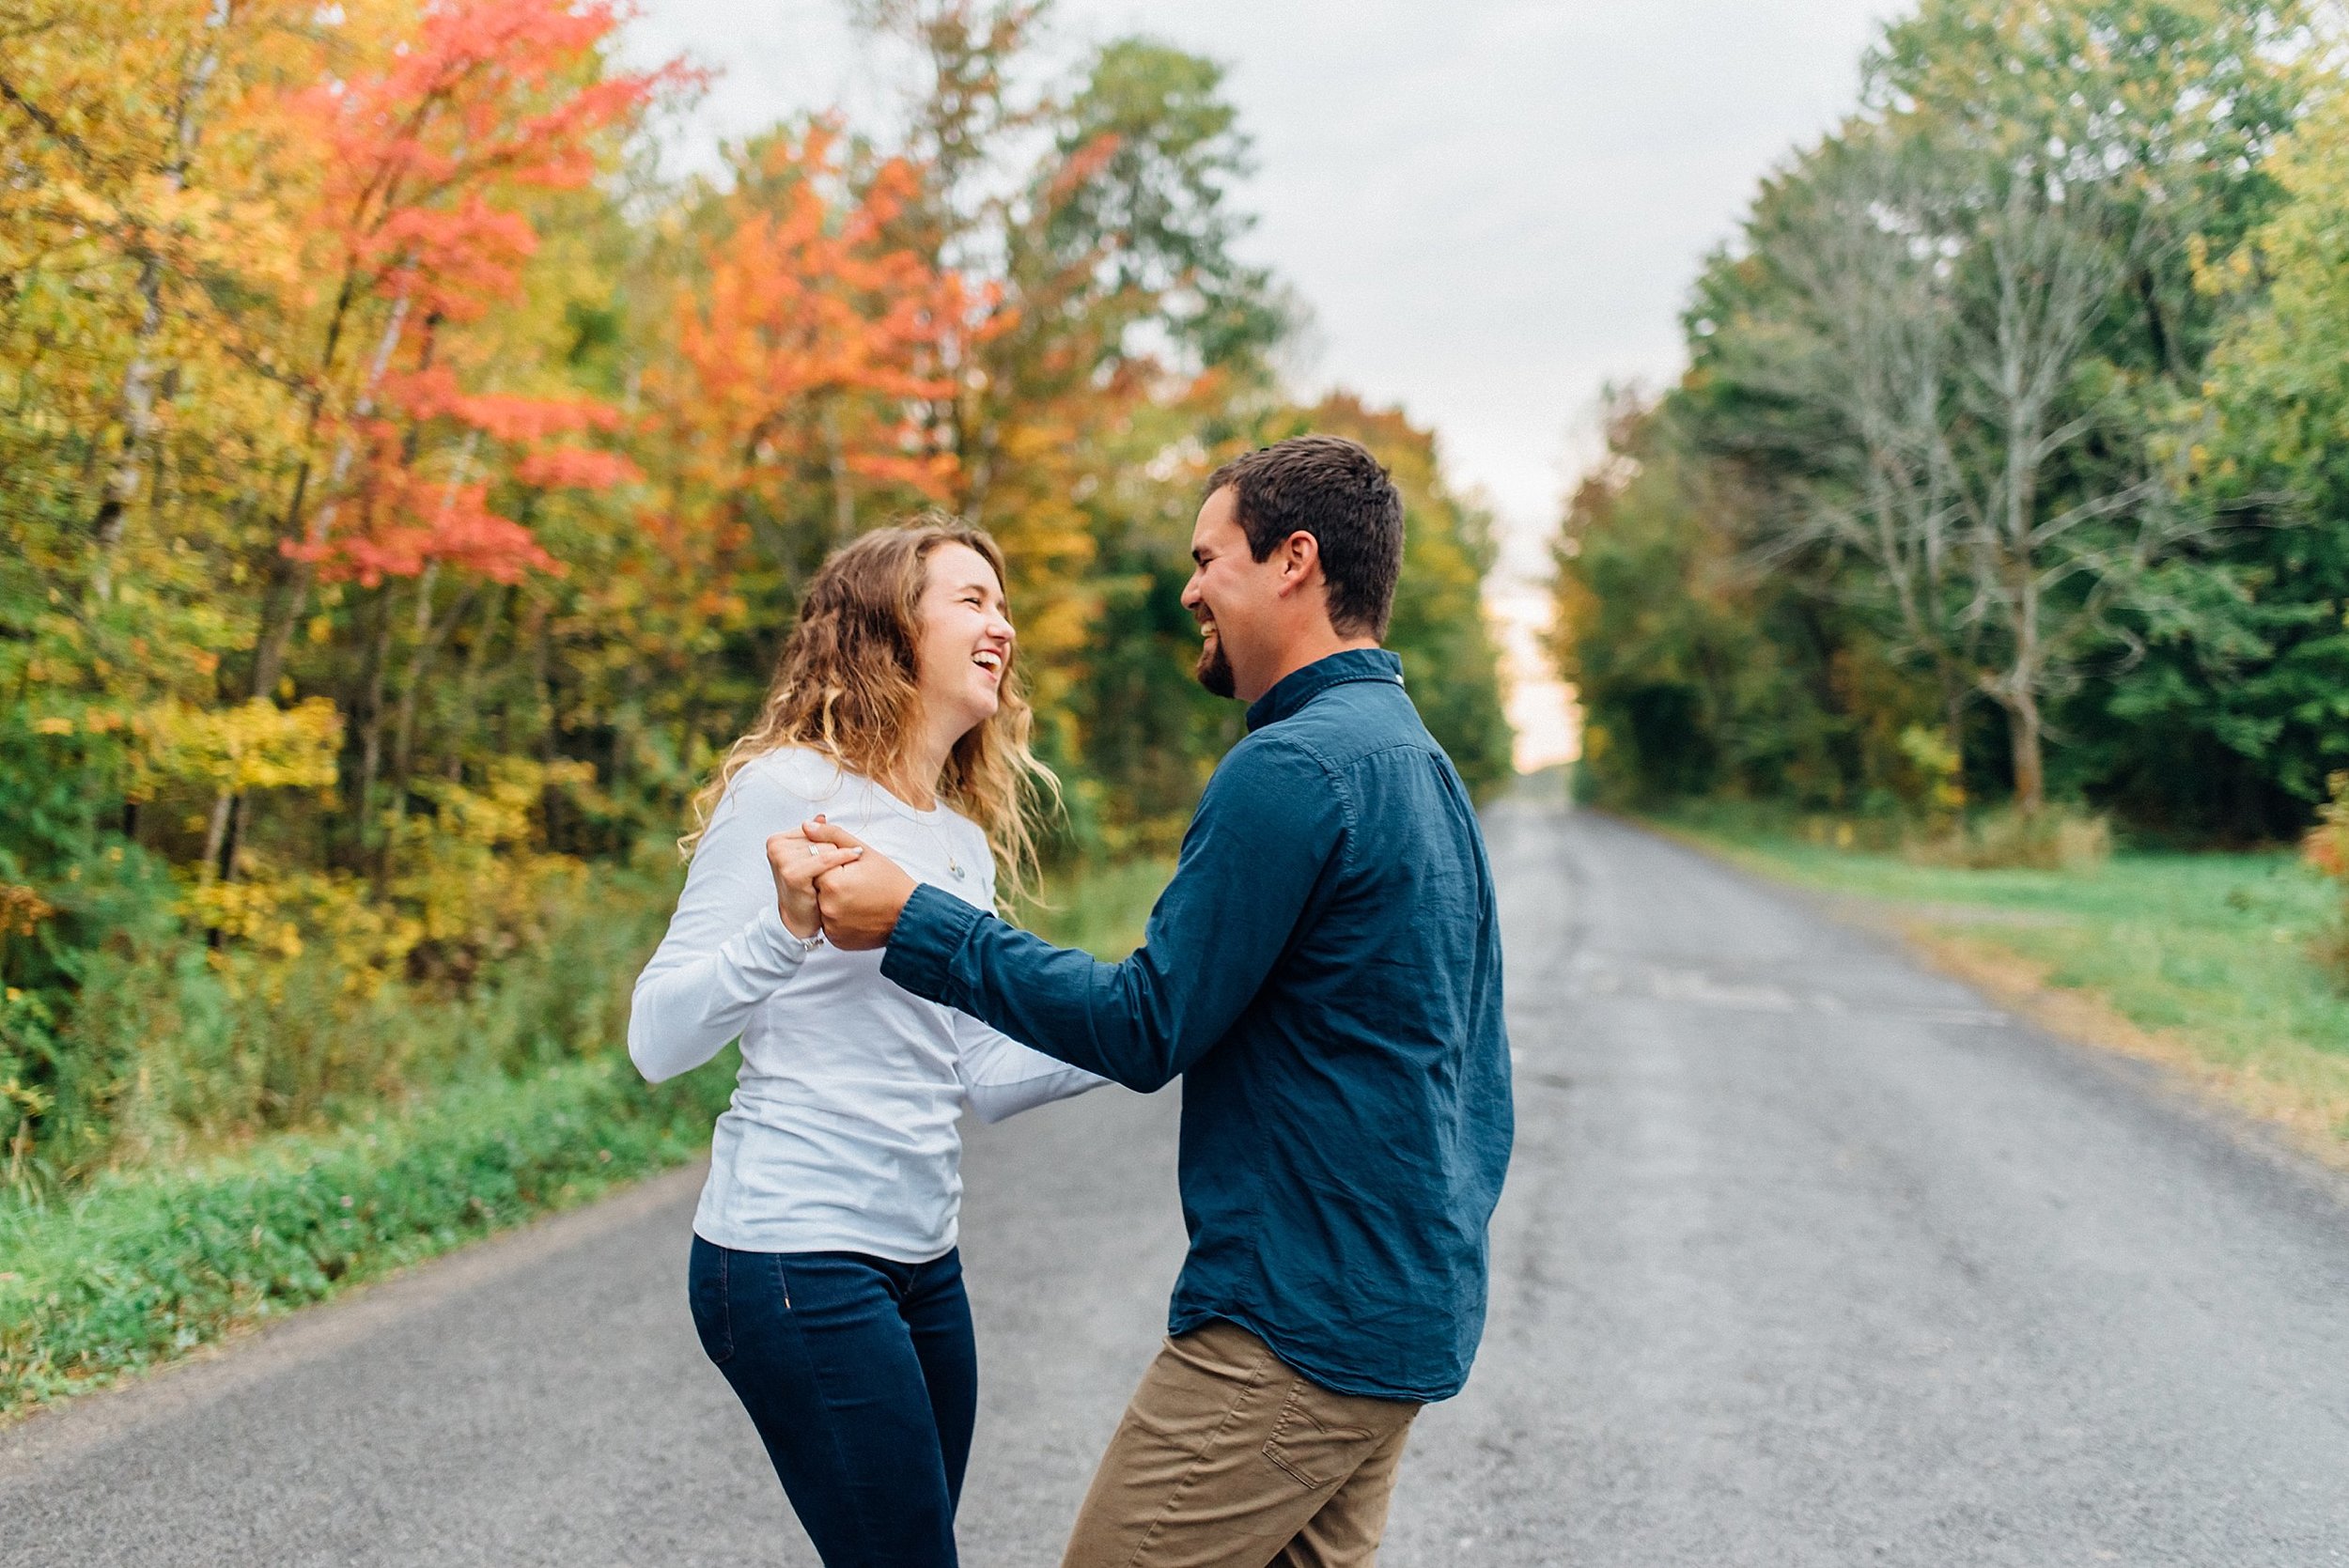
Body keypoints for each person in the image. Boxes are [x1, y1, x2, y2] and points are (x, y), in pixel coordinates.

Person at [805, 435, 1514, 1568]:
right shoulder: (1416, 761)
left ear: (1293, 561)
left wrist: (916, 922)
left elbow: (1148, 1023)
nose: (1189, 589)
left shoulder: (1292, 769)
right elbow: (1467, 1067)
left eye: (1207, 557)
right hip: (1400, 1311)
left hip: (1295, 1330)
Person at [626, 521, 1105, 1568]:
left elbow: (982, 1067)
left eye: (1003, 601)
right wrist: (783, 925)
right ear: (892, 626)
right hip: (794, 1251)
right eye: (971, 599)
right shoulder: (791, 789)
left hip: (923, 1262)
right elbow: (656, 1037)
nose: (1002, 624)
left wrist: (1155, 1015)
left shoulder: (959, 842)